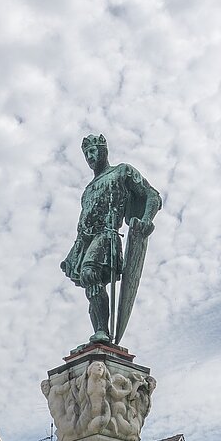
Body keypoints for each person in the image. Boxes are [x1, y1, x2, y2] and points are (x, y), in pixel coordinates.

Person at [61, 133, 162, 344]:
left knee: (90, 272)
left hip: (107, 234)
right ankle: (101, 332)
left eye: (93, 151)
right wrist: (73, 252)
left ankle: (102, 332)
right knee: (91, 283)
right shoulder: (87, 190)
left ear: (103, 150)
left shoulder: (122, 171)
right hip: (86, 239)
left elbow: (152, 196)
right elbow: (83, 222)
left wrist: (145, 220)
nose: (89, 156)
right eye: (86, 153)